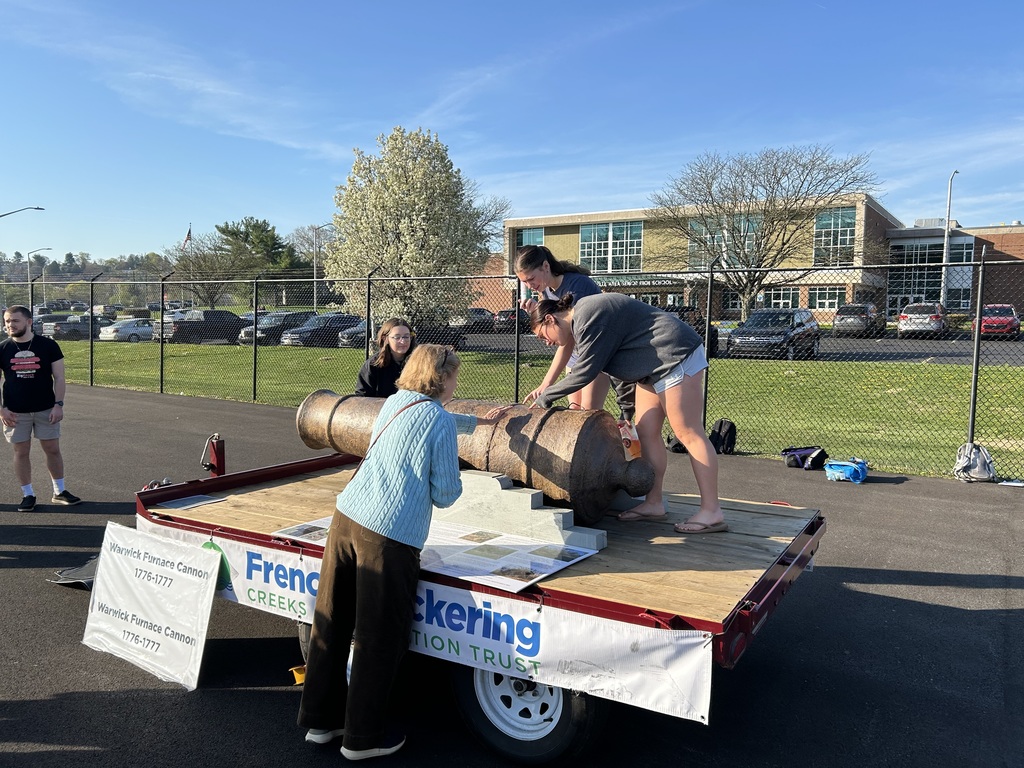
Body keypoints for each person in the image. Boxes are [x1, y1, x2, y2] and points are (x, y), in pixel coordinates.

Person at [298, 344, 511, 760]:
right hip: (389, 536)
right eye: (455, 377)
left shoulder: (396, 402)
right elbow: (446, 494)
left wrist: (479, 423)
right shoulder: (438, 423)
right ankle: (362, 739)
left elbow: (431, 421)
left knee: (334, 619)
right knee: (380, 635)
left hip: (346, 518)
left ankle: (320, 722)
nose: (457, 382)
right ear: (442, 378)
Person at [526, 293, 725, 535]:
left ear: (550, 319)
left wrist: (545, 398)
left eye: (541, 335)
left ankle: (712, 511)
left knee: (688, 432)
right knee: (646, 431)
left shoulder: (588, 316)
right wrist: (627, 411)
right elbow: (618, 369)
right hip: (651, 368)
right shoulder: (583, 324)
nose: (545, 342)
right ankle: (653, 503)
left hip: (674, 354)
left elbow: (586, 372)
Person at [0, 305, 82, 512]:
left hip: (46, 408)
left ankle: (59, 491)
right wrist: (1, 410)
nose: (10, 325)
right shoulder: (2, 349)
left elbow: (60, 378)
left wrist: (58, 405)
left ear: (28, 322)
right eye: (7, 321)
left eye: (15, 321)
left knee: (52, 449)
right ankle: (28, 494)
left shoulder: (48, 345)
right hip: (15, 412)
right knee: (21, 452)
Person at [514, 245, 612, 411]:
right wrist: (537, 313)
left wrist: (547, 385)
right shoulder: (546, 290)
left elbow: (568, 341)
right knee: (574, 411)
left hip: (594, 356)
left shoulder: (577, 287)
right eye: (524, 282)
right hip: (575, 358)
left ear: (546, 266)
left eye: (531, 279)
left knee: (589, 413)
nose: (530, 285)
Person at [354, 317, 414, 398]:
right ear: (385, 338)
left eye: (406, 336)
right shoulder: (373, 365)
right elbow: (362, 397)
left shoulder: (419, 363)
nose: (403, 341)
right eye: (397, 337)